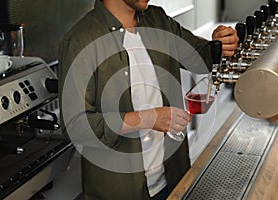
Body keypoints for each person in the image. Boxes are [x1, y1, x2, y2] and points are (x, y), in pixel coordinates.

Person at [58, 0, 238, 199]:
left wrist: (221, 44)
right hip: (120, 192)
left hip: (172, 181)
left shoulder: (158, 20)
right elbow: (75, 126)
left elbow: (200, 58)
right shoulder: (80, 40)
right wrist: (148, 119)